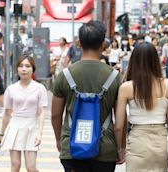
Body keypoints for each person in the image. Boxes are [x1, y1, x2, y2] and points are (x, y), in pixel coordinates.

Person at [51, 21, 122, 171]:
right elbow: (120, 121)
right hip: (105, 150)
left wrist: (59, 140)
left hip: (71, 148)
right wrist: (121, 147)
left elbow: (55, 115)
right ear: (103, 44)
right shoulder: (115, 77)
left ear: (79, 43)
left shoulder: (65, 76)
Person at [115, 42, 168, 171]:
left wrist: (120, 149)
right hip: (162, 143)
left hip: (137, 143)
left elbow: (118, 126)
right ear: (155, 61)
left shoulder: (126, 88)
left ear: (133, 61)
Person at [0, 55, 48, 172]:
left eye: (27, 66)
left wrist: (39, 133)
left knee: (31, 167)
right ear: (17, 69)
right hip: (15, 127)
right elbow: (7, 113)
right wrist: (1, 133)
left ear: (33, 69)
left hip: (32, 127)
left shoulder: (40, 88)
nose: (24, 69)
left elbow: (41, 113)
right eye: (21, 66)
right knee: (15, 165)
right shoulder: (11, 89)